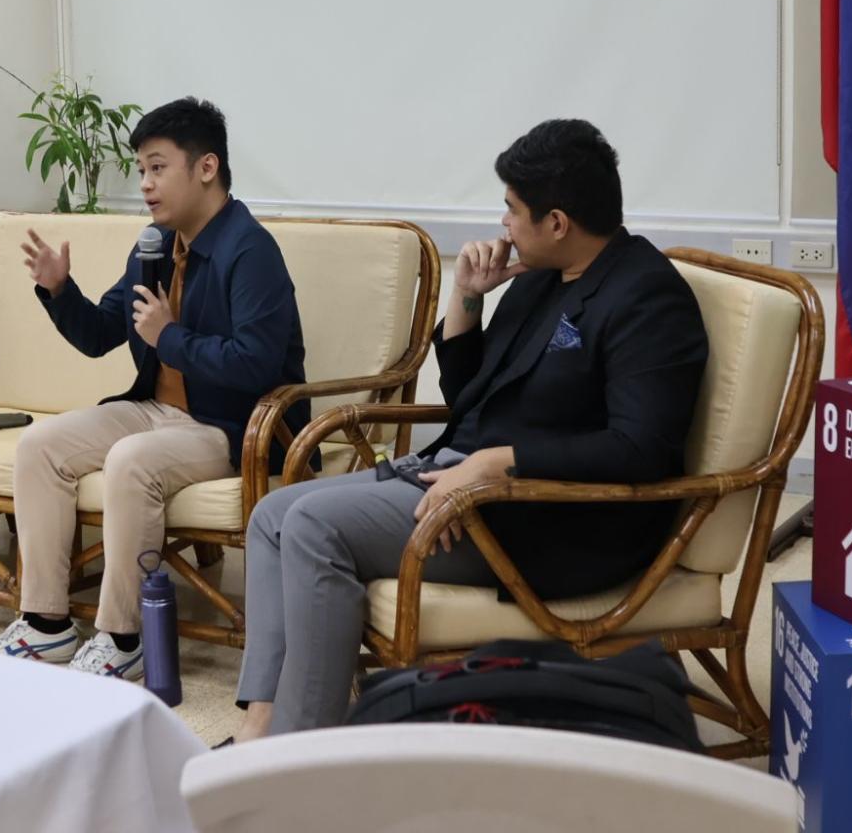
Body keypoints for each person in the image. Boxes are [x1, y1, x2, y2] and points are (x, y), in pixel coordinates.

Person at [227, 119, 708, 739]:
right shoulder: (540, 276)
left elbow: (641, 448)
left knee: (315, 528)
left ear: (557, 222)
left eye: (512, 209)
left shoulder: (647, 297)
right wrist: (468, 299)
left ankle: (303, 751)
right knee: (272, 517)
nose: (503, 224)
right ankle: (262, 723)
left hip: (545, 519)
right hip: (464, 477)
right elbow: (470, 398)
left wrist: (498, 464)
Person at [0, 98, 309, 679]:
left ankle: (122, 636)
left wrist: (171, 337)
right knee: (41, 445)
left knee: (131, 460)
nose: (146, 184)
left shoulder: (251, 250)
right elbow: (100, 335)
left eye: (158, 168)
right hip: (157, 410)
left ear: (205, 168)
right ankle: (46, 625)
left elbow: (257, 367)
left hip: (236, 427)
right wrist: (61, 291)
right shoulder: (154, 247)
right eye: (141, 170)